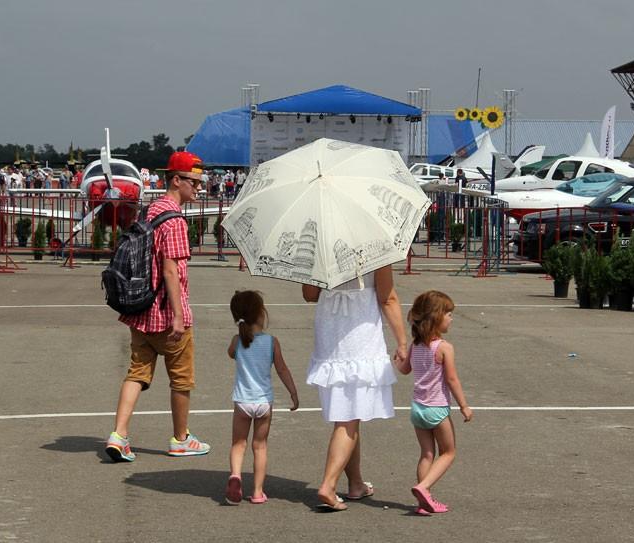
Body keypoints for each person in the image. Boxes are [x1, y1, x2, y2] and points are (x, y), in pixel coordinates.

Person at [104, 151, 211, 462]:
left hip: (140, 310)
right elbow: (170, 270)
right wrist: (179, 316)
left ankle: (119, 434)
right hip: (166, 312)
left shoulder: (150, 211)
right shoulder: (175, 220)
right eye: (194, 182)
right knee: (181, 379)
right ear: (176, 180)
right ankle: (180, 438)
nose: (198, 188)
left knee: (137, 373)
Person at [302, 265, 408, 511]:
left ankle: (356, 483)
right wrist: (402, 341)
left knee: (348, 414)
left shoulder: (322, 243)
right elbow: (388, 298)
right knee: (349, 418)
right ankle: (328, 485)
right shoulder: (375, 246)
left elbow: (309, 294)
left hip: (330, 333)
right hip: (359, 334)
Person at [395, 290, 473, 515]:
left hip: (417, 410)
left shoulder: (416, 345)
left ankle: (423, 502)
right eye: (448, 314)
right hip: (436, 409)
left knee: (426, 454)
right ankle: (424, 487)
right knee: (448, 452)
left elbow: (404, 369)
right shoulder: (444, 347)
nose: (451, 318)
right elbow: (451, 379)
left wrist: (398, 359)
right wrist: (464, 406)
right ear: (436, 317)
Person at [223, 290, 299, 505]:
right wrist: (293, 392)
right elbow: (283, 369)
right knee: (260, 446)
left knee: (238, 444)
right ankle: (257, 492)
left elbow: (231, 353)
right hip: (264, 403)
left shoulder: (237, 340)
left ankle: (235, 476)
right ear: (260, 314)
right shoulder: (272, 342)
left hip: (243, 402)